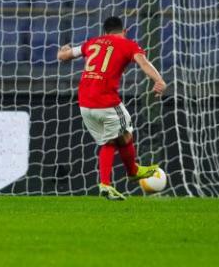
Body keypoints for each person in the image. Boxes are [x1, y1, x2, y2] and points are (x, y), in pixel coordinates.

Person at [57, 16, 166, 200]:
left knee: (111, 140)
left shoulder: (92, 42)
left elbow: (64, 56)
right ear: (124, 31)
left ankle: (111, 182)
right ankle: (130, 172)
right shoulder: (129, 44)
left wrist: (62, 51)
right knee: (126, 132)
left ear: (105, 33)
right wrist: (159, 80)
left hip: (84, 103)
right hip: (106, 101)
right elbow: (143, 63)